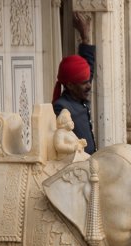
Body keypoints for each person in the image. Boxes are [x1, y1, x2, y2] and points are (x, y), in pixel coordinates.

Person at [52, 13, 96, 155]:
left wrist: (85, 36)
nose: (89, 86)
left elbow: (88, 63)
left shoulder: (79, 95)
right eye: (84, 83)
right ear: (70, 85)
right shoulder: (62, 106)